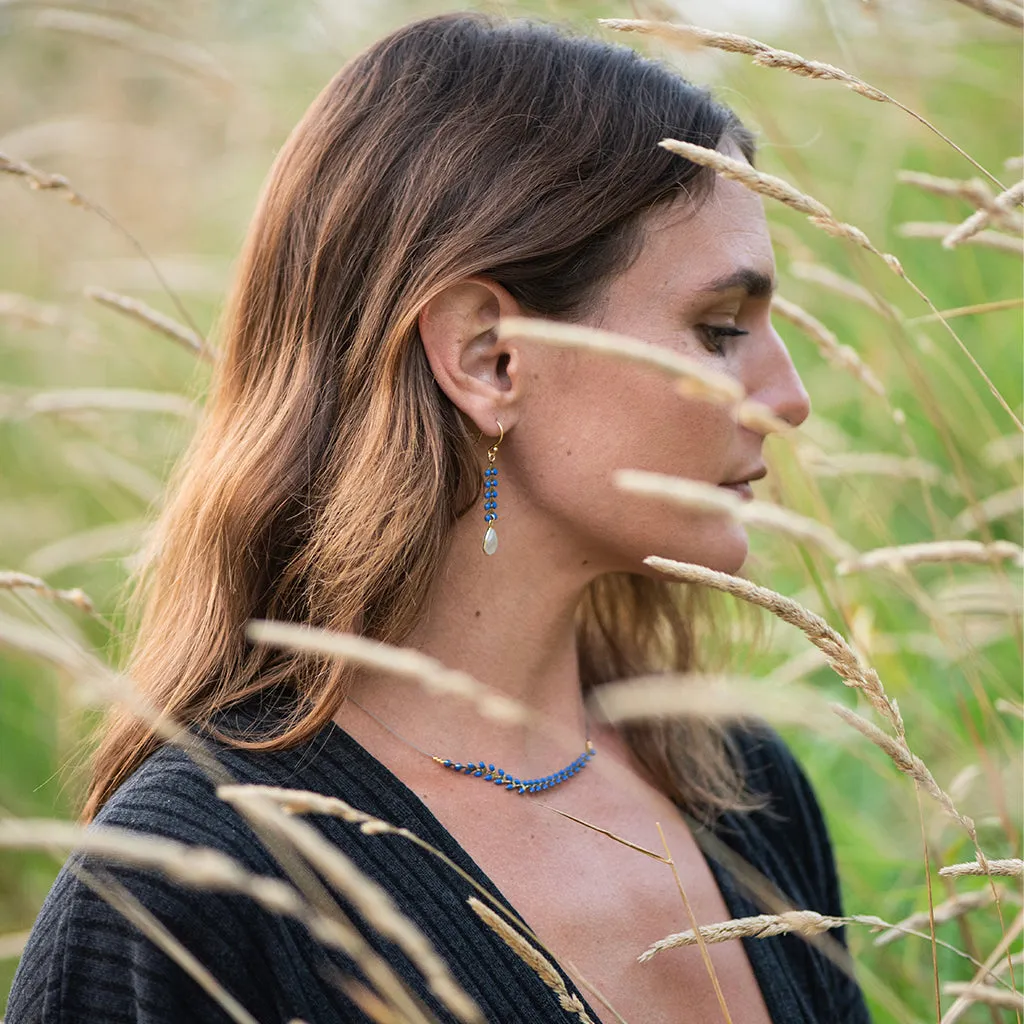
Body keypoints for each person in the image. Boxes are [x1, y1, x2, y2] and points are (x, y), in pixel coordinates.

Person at [6, 10, 872, 1024]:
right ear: (486, 356)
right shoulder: (187, 890)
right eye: (719, 329)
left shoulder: (743, 795)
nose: (788, 397)